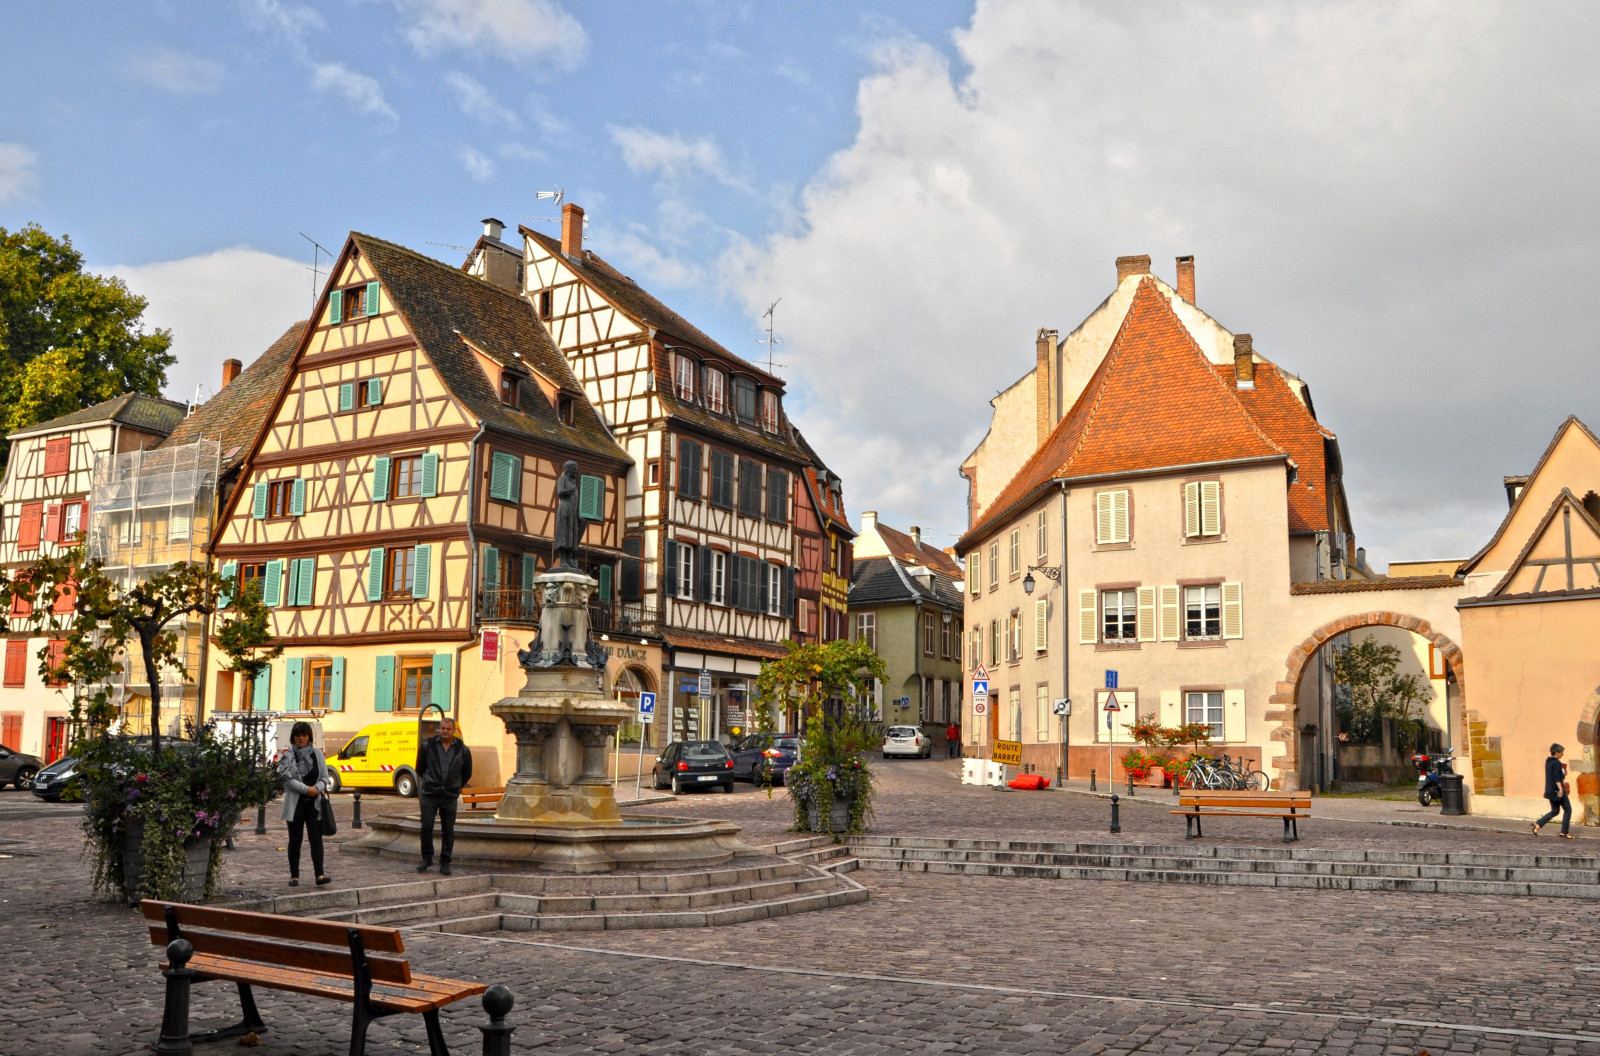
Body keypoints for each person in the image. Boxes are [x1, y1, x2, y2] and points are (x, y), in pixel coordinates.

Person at [416, 717, 473, 875]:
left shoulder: (462, 749)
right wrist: (429, 781)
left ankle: (445, 862)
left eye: (448, 729)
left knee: (448, 830)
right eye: (443, 728)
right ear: (439, 729)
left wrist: (455, 785)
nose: (445, 731)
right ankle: (426, 858)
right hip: (430, 794)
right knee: (426, 827)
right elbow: (419, 768)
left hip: (449, 795)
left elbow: (467, 772)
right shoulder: (428, 746)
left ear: (453, 730)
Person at [279, 721, 331, 887]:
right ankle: (294, 875)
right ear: (293, 737)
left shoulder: (317, 754)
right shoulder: (288, 756)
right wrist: (305, 789)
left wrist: (317, 788)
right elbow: (286, 779)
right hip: (295, 804)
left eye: (304, 735)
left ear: (309, 737)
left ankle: (320, 874)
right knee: (295, 840)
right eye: (298, 735)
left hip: (314, 803)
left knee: (316, 839)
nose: (301, 738)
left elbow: (324, 777)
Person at [1533, 742, 1574, 838]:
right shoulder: (1556, 763)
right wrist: (1561, 789)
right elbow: (1556, 778)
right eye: (1561, 753)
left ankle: (1538, 824)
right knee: (1568, 809)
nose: (1562, 754)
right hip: (1558, 791)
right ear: (1556, 752)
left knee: (1555, 811)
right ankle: (1565, 832)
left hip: (1550, 791)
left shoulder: (1548, 762)